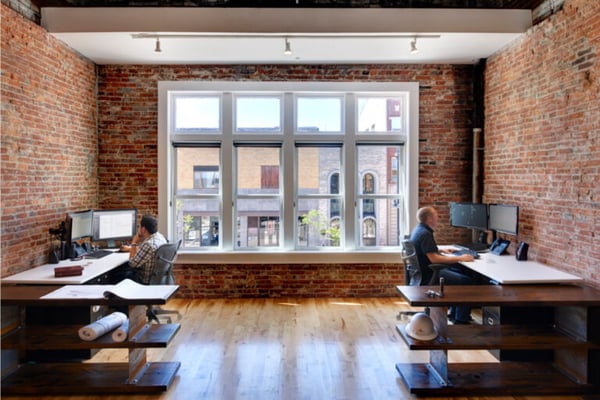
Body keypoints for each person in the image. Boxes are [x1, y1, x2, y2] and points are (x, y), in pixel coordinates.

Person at [409, 206, 475, 324]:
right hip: (429, 274)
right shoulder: (425, 234)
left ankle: (455, 315)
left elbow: (425, 251)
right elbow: (433, 259)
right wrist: (460, 257)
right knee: (465, 281)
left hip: (421, 273)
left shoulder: (419, 230)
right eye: (436, 216)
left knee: (459, 272)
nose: (438, 218)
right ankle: (461, 319)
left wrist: (441, 250)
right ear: (430, 219)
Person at [117, 214, 167, 284]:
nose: (139, 228)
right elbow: (147, 251)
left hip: (144, 280)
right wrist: (129, 249)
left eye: (139, 226)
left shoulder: (148, 244)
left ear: (143, 229)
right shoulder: (160, 237)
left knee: (116, 275)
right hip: (157, 278)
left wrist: (134, 242)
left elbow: (132, 264)